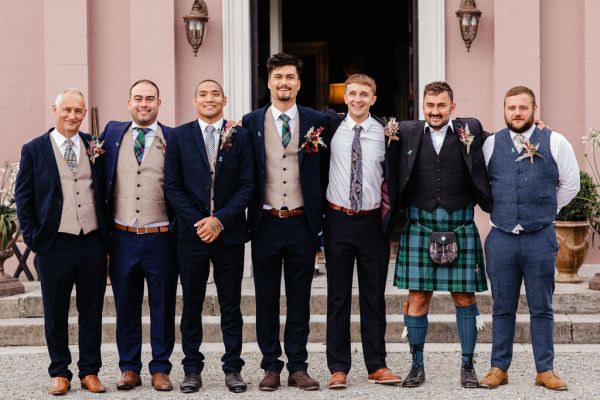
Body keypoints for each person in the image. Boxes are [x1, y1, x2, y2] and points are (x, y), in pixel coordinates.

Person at [479, 86, 579, 391]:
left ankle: (544, 370)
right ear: (504, 110)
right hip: (501, 238)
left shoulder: (555, 141)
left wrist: (545, 209)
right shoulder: (490, 144)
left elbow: (570, 184)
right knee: (502, 307)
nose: (517, 113)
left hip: (539, 237)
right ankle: (499, 367)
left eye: (523, 107)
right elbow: (481, 184)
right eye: (511, 108)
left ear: (534, 109)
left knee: (541, 306)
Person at [393, 81, 491, 388]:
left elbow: (499, 144)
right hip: (420, 226)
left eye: (441, 106)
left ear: (452, 107)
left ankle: (467, 366)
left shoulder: (470, 129)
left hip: (460, 224)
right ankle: (416, 366)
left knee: (464, 298)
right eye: (430, 106)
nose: (435, 111)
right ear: (422, 106)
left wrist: (535, 133)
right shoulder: (405, 132)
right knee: (418, 299)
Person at [242, 52, 328, 391]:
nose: (284, 83)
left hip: (301, 223)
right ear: (268, 82)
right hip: (264, 222)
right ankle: (270, 366)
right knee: (265, 298)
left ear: (298, 83)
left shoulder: (317, 121)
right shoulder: (250, 122)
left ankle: (298, 365)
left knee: (299, 297)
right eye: (278, 77)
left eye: (290, 77)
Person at [15, 89, 109, 395]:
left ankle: (90, 371)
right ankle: (59, 372)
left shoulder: (94, 146)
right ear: (55, 109)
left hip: (91, 242)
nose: (72, 116)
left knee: (92, 310)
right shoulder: (34, 149)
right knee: (55, 311)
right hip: (53, 245)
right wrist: (34, 239)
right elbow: (24, 199)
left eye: (78, 111)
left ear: (84, 114)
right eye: (67, 109)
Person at [164, 79, 255, 393]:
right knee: (191, 304)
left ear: (225, 99)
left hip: (228, 235)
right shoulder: (178, 137)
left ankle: (233, 369)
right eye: (203, 94)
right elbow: (172, 187)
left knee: (231, 305)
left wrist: (220, 221)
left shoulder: (240, 135)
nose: (209, 98)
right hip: (191, 237)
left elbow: (248, 185)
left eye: (215, 94)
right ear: (194, 100)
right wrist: (200, 223)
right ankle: (191, 369)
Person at [324, 74, 402, 389]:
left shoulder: (388, 132)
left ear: (373, 98)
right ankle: (338, 367)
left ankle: (377, 364)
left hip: (372, 223)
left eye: (363, 94)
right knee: (338, 297)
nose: (357, 99)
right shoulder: (328, 128)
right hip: (337, 220)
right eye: (352, 93)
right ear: (345, 97)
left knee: (373, 297)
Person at [100, 79, 177, 391]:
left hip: (161, 236)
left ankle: (160, 368)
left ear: (159, 103)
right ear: (128, 102)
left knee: (162, 304)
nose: (144, 104)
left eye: (150, 99)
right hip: (122, 236)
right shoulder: (111, 134)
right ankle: (129, 367)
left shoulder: (173, 138)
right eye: (138, 99)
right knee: (126, 305)